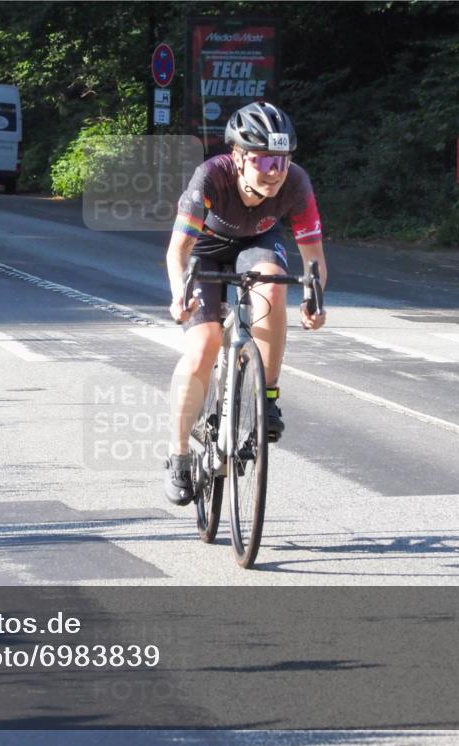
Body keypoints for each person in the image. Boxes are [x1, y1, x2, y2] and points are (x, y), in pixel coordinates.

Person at [163, 102, 328, 506]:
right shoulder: (210, 178)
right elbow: (177, 252)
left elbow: (314, 257)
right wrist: (178, 293)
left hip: (257, 243)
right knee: (203, 346)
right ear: (238, 158)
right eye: (265, 160)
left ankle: (267, 397)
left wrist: (315, 295)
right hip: (205, 249)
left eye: (283, 160)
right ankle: (179, 453)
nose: (275, 171)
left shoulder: (296, 184)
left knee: (273, 289)